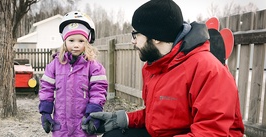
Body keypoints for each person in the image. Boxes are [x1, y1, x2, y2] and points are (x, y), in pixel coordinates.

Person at [87, 0, 245, 136]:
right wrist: (123, 119)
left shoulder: (208, 70)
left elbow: (212, 132)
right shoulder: (156, 65)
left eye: (136, 35)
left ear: (155, 37)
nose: (133, 41)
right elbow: (159, 117)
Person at [38, 11, 108, 137]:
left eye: (81, 41)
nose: (76, 45)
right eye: (71, 40)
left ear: (87, 42)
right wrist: (45, 112)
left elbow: (99, 90)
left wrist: (94, 113)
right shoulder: (55, 65)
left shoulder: (93, 66)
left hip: (84, 123)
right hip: (61, 125)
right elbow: (46, 88)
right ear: (64, 41)